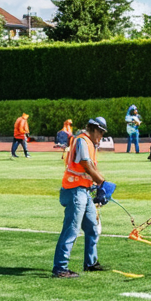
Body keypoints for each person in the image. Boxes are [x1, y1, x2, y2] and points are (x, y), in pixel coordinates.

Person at [52, 117, 109, 278]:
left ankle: (90, 263)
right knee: (71, 229)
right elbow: (86, 165)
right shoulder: (83, 141)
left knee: (91, 227)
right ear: (94, 129)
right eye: (101, 132)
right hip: (74, 190)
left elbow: (89, 168)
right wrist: (102, 183)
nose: (102, 136)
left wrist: (98, 186)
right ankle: (60, 268)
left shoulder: (88, 142)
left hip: (83, 190)